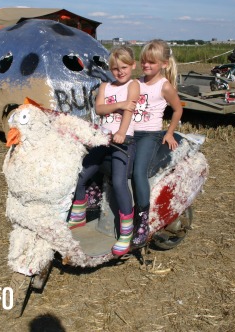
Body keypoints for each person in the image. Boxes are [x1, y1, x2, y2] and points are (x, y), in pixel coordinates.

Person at [67, 46, 139, 256]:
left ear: (132, 66)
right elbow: (99, 109)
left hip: (123, 141)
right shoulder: (105, 86)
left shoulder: (133, 85)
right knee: (81, 175)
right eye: (115, 68)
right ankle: (79, 214)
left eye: (124, 67)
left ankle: (126, 232)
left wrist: (122, 133)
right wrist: (120, 104)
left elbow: (129, 111)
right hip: (103, 139)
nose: (120, 72)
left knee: (118, 182)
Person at [132, 39, 183, 247]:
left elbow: (178, 109)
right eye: (144, 61)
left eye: (151, 62)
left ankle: (142, 222)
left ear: (163, 64)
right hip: (130, 133)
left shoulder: (164, 86)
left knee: (138, 172)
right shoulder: (137, 83)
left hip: (149, 135)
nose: (146, 66)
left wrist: (169, 133)